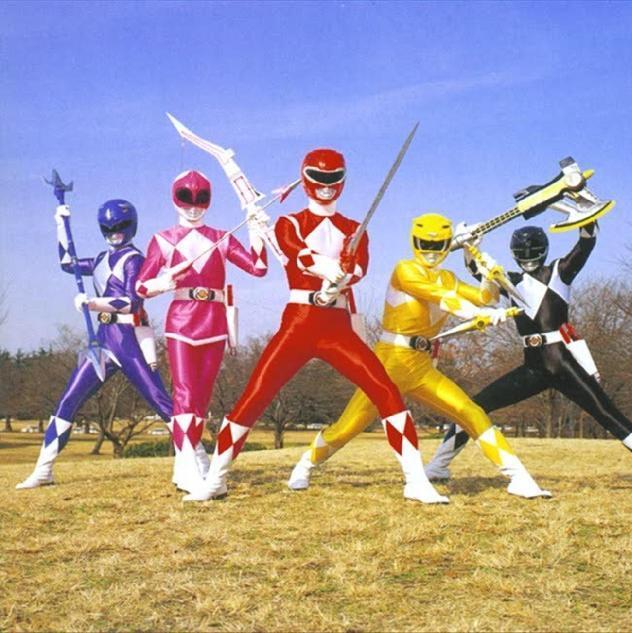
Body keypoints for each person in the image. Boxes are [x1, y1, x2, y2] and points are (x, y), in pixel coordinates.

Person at [184, 149, 447, 504]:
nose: (325, 186)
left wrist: (346, 273)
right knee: (256, 395)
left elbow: (360, 268)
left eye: (333, 178)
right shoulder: (289, 222)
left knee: (385, 391)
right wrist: (328, 267)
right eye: (319, 178)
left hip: (337, 327)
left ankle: (415, 480)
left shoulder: (355, 229)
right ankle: (215, 479)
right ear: (306, 178)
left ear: (343, 180)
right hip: (300, 323)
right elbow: (298, 254)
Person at [287, 213, 551, 498]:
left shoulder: (448, 277)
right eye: (425, 244)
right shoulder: (405, 270)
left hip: (422, 366)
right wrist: (478, 314)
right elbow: (442, 298)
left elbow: (487, 297)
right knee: (347, 427)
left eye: (438, 246)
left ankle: (518, 477)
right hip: (390, 363)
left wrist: (487, 274)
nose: (431, 252)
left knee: (470, 411)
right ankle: (305, 465)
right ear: (415, 242)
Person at [426, 222, 632, 496]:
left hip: (562, 362)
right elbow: (478, 272)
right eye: (523, 252)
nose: (527, 257)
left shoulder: (559, 271)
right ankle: (439, 466)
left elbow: (586, 243)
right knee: (474, 407)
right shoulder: (509, 281)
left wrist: (585, 214)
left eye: (531, 251)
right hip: (533, 367)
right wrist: (470, 245)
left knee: (608, 414)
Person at [16, 200, 173, 489]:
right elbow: (68, 264)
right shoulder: (102, 258)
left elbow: (131, 302)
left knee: (161, 402)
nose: (115, 233)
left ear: (131, 227)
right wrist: (60, 224)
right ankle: (43, 469)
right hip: (103, 341)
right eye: (109, 228)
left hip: (129, 340)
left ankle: (197, 461)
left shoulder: (135, 260)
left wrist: (92, 303)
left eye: (120, 227)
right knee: (68, 400)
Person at [136, 170, 268, 494]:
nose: (193, 206)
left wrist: (256, 228)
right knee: (184, 393)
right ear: (174, 198)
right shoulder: (163, 239)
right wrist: (163, 282)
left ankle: (189, 463)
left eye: (201, 198)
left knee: (201, 399)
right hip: (182, 321)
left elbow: (258, 267)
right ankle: (188, 468)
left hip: (214, 322)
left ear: (209, 200)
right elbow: (140, 286)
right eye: (186, 198)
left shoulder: (223, 237)